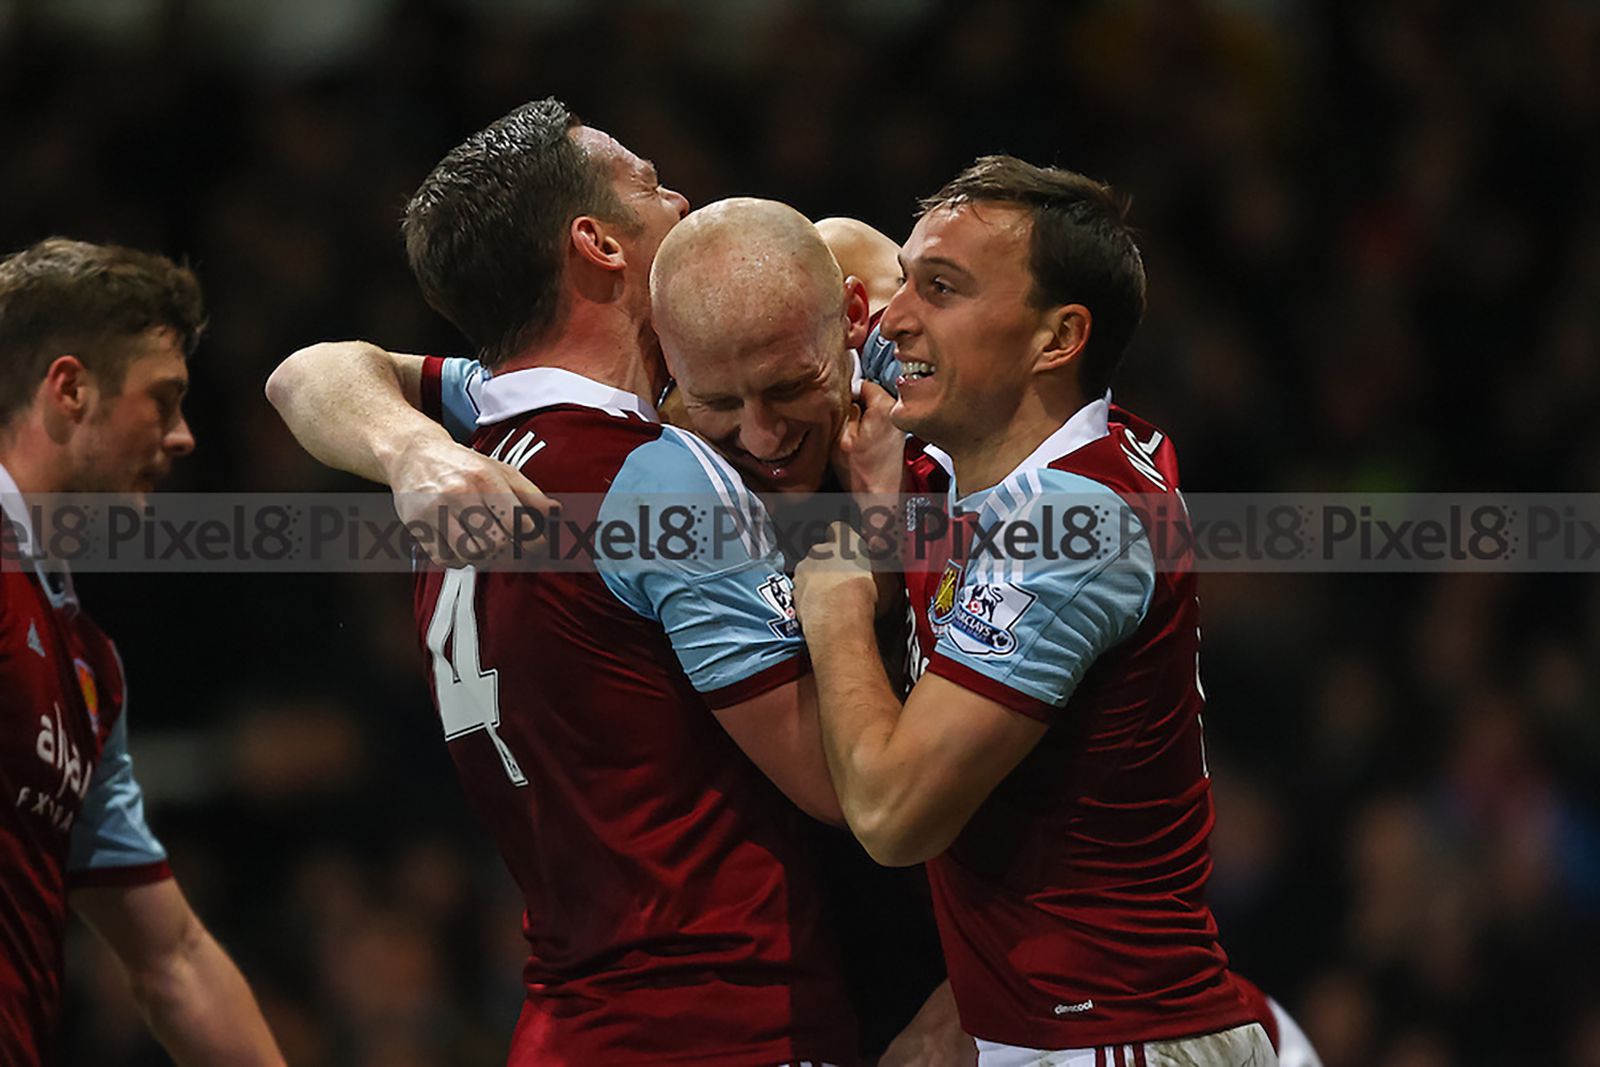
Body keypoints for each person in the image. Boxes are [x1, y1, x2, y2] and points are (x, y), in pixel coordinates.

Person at [273, 98, 860, 1067]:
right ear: (597, 243)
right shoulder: (653, 472)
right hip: (725, 1018)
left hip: (569, 1017)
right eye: (646, 183)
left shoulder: (477, 447)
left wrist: (407, 446)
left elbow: (305, 371)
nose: (678, 196)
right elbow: (846, 785)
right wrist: (861, 574)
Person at [791, 156, 1275, 1065]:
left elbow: (896, 815)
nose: (895, 319)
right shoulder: (984, 447)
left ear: (1057, 339)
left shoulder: (1069, 526)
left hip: (1117, 1043)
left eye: (940, 288)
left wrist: (836, 599)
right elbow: (830, 252)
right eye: (907, 283)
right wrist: (435, 392)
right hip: (1042, 1027)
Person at [0, 237, 283, 1065]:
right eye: (163, 400)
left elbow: (174, 960)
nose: (185, 436)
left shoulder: (90, 668)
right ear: (70, 388)